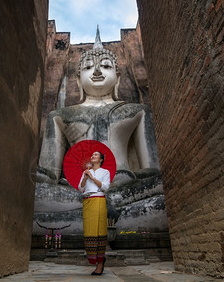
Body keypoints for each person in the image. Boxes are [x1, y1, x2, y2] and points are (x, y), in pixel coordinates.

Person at [38, 27, 160, 185]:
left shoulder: (138, 112)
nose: (96, 71)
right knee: (41, 194)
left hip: (123, 184)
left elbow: (153, 171)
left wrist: (132, 177)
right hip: (79, 187)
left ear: (117, 78)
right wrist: (46, 178)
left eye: (106, 66)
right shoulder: (60, 116)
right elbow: (48, 176)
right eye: (88, 67)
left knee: (157, 188)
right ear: (79, 80)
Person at [78, 151, 110, 275]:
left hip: (99, 199)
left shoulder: (105, 172)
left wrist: (93, 178)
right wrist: (85, 178)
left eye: (96, 155)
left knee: (99, 230)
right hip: (87, 201)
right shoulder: (86, 172)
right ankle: (94, 259)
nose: (93, 156)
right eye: (92, 155)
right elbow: (81, 188)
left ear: (101, 159)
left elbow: (105, 187)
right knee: (89, 231)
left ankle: (100, 262)